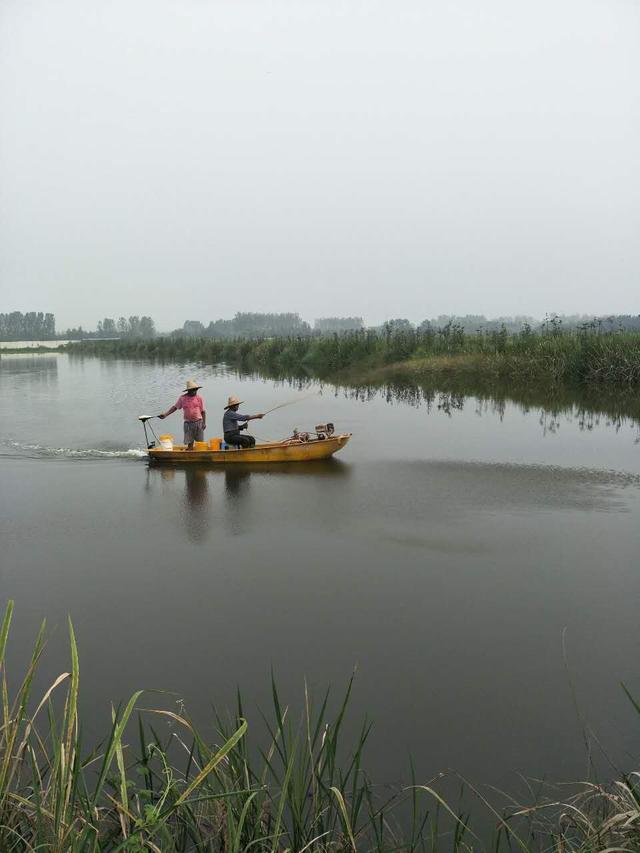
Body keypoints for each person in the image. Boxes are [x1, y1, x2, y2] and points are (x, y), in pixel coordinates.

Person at [158, 379, 206, 450]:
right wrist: (165, 414)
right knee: (190, 443)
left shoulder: (199, 398)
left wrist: (204, 423)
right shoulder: (183, 398)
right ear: (188, 390)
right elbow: (175, 407)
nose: (195, 391)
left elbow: (203, 412)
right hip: (188, 423)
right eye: (193, 390)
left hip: (198, 422)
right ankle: (189, 452)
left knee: (200, 443)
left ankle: (199, 455)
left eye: (196, 389)